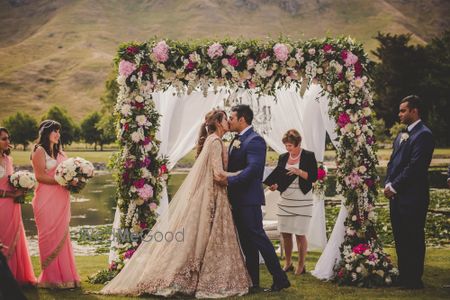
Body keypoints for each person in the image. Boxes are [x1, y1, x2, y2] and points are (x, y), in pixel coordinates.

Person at [101, 110, 251, 298]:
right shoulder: (215, 142)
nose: (229, 121)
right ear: (219, 123)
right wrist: (243, 175)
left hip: (211, 194)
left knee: (200, 239)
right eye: (225, 118)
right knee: (203, 239)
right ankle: (181, 278)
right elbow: (218, 174)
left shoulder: (212, 140)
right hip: (212, 196)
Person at [217, 104, 290, 292]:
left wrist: (229, 181)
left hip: (249, 199)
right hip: (237, 199)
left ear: (242, 120)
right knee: (247, 242)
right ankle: (253, 283)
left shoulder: (255, 140)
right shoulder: (236, 139)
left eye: (232, 118)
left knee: (258, 238)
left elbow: (254, 170)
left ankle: (280, 278)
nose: (229, 121)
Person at [384, 95, 434, 289]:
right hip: (396, 195)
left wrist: (394, 186)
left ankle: (414, 279)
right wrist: (388, 182)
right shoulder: (401, 135)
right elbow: (392, 162)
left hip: (413, 196)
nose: (400, 114)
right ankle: (404, 275)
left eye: (403, 110)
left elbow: (415, 167)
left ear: (415, 111)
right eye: (400, 110)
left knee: (413, 237)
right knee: (400, 237)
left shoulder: (424, 135)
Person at [31, 120, 80, 288]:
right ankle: (50, 278)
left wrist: (73, 181)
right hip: (45, 198)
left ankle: (67, 277)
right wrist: (61, 181)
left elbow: (68, 171)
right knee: (47, 235)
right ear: (46, 133)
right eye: (55, 131)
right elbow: (39, 176)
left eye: (59, 132)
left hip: (62, 198)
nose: (58, 135)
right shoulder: (39, 151)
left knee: (62, 235)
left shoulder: (61, 152)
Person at [269, 129, 318, 275]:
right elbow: (280, 178)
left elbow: (314, 177)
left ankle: (301, 265)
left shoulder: (308, 156)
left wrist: (299, 172)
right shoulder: (283, 157)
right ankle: (288, 263)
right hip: (286, 199)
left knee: (300, 233)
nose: (287, 148)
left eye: (290, 145)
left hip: (303, 198)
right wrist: (275, 186)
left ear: (298, 143)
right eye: (286, 145)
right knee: (285, 233)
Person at [0, 127, 36, 286]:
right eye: (4, 139)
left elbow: (10, 181)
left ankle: (16, 276)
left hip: (13, 204)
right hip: (2, 203)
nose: (8, 141)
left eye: (8, 138)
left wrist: (21, 188)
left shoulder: (8, 160)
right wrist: (9, 195)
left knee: (15, 235)